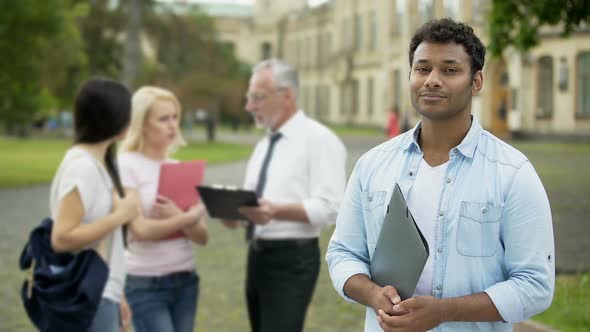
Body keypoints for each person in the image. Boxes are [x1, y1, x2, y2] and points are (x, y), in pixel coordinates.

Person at [326, 18, 554, 332]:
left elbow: (535, 286)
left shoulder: (512, 174)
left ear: (477, 82)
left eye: (449, 70)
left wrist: (444, 312)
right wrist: (373, 294)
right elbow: (342, 253)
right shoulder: (371, 165)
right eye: (422, 69)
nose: (432, 80)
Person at [222, 58, 347, 332]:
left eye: (257, 97)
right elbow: (254, 204)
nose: (249, 107)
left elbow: (331, 207)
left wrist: (276, 211)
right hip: (257, 257)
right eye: (249, 98)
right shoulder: (263, 146)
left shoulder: (320, 140)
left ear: (287, 95)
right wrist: (236, 216)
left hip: (293, 260)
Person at [49, 78, 139, 332]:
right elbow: (62, 237)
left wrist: (117, 293)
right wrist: (120, 216)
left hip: (102, 291)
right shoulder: (83, 167)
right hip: (88, 294)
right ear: (111, 116)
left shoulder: (97, 164)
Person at [118, 86, 208, 332]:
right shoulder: (126, 165)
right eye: (163, 119)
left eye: (175, 117)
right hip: (145, 283)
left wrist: (180, 217)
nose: (172, 125)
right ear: (143, 124)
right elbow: (140, 230)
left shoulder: (180, 168)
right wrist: (187, 217)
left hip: (186, 279)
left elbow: (202, 237)